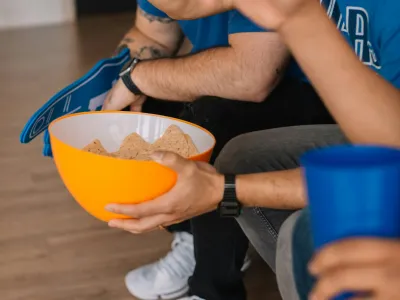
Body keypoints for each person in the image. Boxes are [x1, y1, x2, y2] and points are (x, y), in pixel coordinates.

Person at [105, 0, 400, 299]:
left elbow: (391, 165)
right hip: (377, 140)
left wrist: (223, 190)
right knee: (240, 158)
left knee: (297, 233)